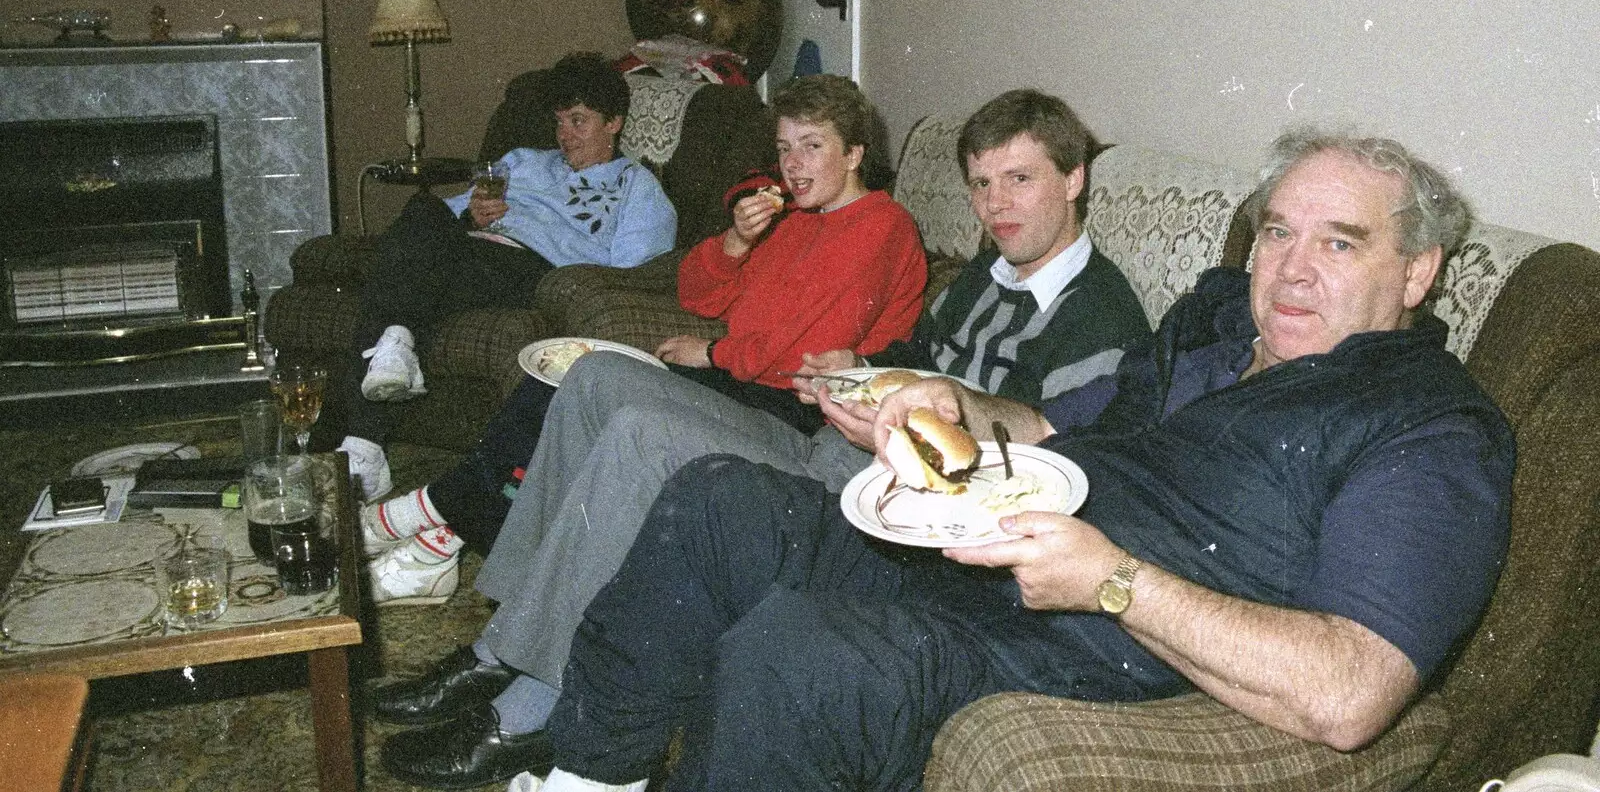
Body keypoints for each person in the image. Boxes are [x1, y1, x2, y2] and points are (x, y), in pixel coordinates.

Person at [512, 127, 1516, 792]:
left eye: (1339, 245)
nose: (1290, 270)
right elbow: (1047, 422)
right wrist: (950, 407)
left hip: (1103, 648)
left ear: (1418, 269)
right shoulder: (1214, 323)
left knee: (802, 649)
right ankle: (584, 776)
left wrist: (1113, 581)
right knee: (719, 498)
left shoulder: (1427, 426)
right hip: (995, 557)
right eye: (1276, 235)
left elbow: (1351, 692)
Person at [374, 90, 1155, 789]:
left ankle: (529, 698)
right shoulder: (989, 278)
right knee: (595, 380)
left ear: (1074, 177)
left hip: (861, 501)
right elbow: (902, 356)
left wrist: (917, 409)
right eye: (981, 184)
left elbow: (1058, 463)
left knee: (645, 436)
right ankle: (498, 648)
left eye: (1019, 179)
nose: (995, 205)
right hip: (829, 435)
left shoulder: (1099, 319)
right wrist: (864, 370)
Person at [360, 73, 926, 609]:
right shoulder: (796, 221)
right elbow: (697, 294)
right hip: (742, 381)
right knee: (561, 383)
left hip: (791, 411)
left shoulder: (882, 226)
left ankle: (429, 515)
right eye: (783, 148)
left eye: (811, 146)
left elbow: (800, 354)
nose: (792, 165)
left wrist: (710, 353)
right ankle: (441, 534)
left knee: (584, 400)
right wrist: (735, 240)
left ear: (854, 153)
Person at [329, 52, 676, 502]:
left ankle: (363, 432)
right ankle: (392, 356)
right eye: (560, 123)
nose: (565, 136)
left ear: (614, 123)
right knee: (421, 209)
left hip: (530, 270)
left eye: (579, 121)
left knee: (403, 279)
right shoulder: (523, 161)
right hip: (469, 253)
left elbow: (631, 274)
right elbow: (444, 220)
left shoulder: (636, 187)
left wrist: (547, 237)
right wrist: (473, 215)